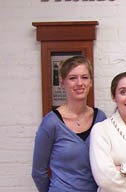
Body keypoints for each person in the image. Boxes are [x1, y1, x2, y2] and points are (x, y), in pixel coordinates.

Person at [32, 55, 107, 192]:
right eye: (73, 78)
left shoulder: (100, 118)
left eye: (84, 77)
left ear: (91, 82)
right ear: (62, 82)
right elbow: (38, 171)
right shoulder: (51, 123)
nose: (79, 83)